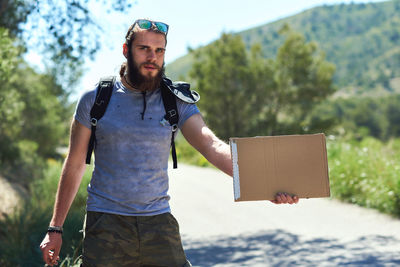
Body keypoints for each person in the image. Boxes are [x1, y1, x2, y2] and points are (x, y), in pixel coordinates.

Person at [39, 18, 299, 267]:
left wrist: (267, 182)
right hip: (106, 223)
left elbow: (212, 146)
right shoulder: (95, 99)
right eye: (144, 49)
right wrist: (55, 228)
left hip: (158, 223)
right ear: (125, 50)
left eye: (159, 50)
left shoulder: (175, 101)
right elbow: (74, 164)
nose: (152, 57)